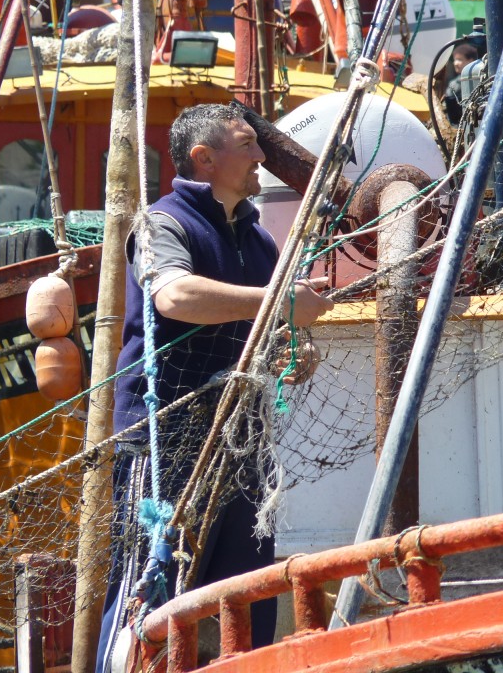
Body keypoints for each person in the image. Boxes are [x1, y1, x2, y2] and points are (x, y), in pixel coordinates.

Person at [96, 102, 334, 671]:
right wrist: (281, 301)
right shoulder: (161, 224)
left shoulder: (258, 241)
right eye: (247, 145)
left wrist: (294, 352)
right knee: (149, 584)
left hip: (241, 438)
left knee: (246, 586)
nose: (261, 157)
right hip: (167, 436)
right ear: (205, 159)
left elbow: (269, 334)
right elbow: (174, 297)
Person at [442, 42, 479, 125]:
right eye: (455, 60)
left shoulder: (455, 85)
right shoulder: (453, 83)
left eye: (459, 59)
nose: (455, 63)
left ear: (471, 61)